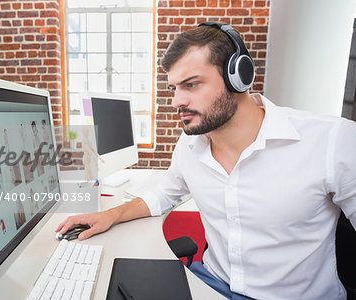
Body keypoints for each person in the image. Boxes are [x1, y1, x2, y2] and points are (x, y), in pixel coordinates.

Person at [56, 22, 356, 300]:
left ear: (238, 77)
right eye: (174, 87)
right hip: (210, 282)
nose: (176, 101)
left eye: (192, 84)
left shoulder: (331, 141)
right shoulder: (190, 144)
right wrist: (110, 215)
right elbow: (164, 194)